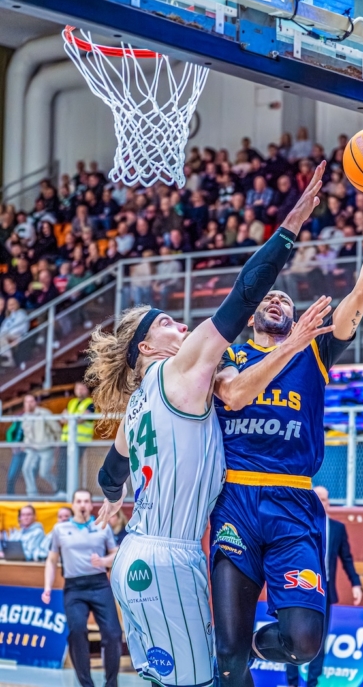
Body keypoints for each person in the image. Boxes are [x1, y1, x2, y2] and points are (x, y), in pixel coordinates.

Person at [87, 166, 329, 687]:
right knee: (206, 681)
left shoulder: (136, 405)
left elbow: (111, 470)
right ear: (146, 347)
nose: (180, 324)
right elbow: (243, 296)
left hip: (136, 555)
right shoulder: (179, 371)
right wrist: (289, 229)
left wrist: (110, 499)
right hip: (168, 560)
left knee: (219, 674)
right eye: (166, 323)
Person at [211, 158, 363, 687]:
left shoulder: (316, 352)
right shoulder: (228, 357)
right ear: (252, 314)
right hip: (236, 498)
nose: (278, 299)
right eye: (270, 296)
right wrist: (290, 345)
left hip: (294, 503)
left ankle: (251, 645)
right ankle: (233, 655)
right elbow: (234, 396)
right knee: (227, 658)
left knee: (303, 644)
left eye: (286, 298)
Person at [42, 489, 121, 687]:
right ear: (73, 505)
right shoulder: (60, 529)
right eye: (79, 501)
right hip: (74, 588)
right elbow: (51, 560)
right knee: (77, 631)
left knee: (113, 633)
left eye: (86, 501)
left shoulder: (102, 526)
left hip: (100, 584)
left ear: (91, 505)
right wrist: (47, 587)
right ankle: (86, 684)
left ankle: (111, 683)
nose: (83, 505)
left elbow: (116, 553)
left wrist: (103, 561)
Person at [286, 486, 362, 687]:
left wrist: (356, 583)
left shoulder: (337, 528)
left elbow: (346, 558)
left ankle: (312, 682)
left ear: (329, 503)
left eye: (325, 499)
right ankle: (292, 683)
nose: (321, 502)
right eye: (317, 498)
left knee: (319, 639)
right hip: (300, 590)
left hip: (324, 591)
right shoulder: (298, 525)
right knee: (291, 635)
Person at [21, 393, 61, 497]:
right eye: (26, 402)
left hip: (46, 447)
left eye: (31, 401)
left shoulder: (44, 413)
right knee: (26, 469)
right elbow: (26, 433)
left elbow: (56, 428)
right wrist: (25, 444)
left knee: (44, 473)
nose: (29, 404)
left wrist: (58, 443)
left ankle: (58, 488)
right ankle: (32, 494)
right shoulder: (25, 416)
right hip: (32, 448)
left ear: (35, 402)